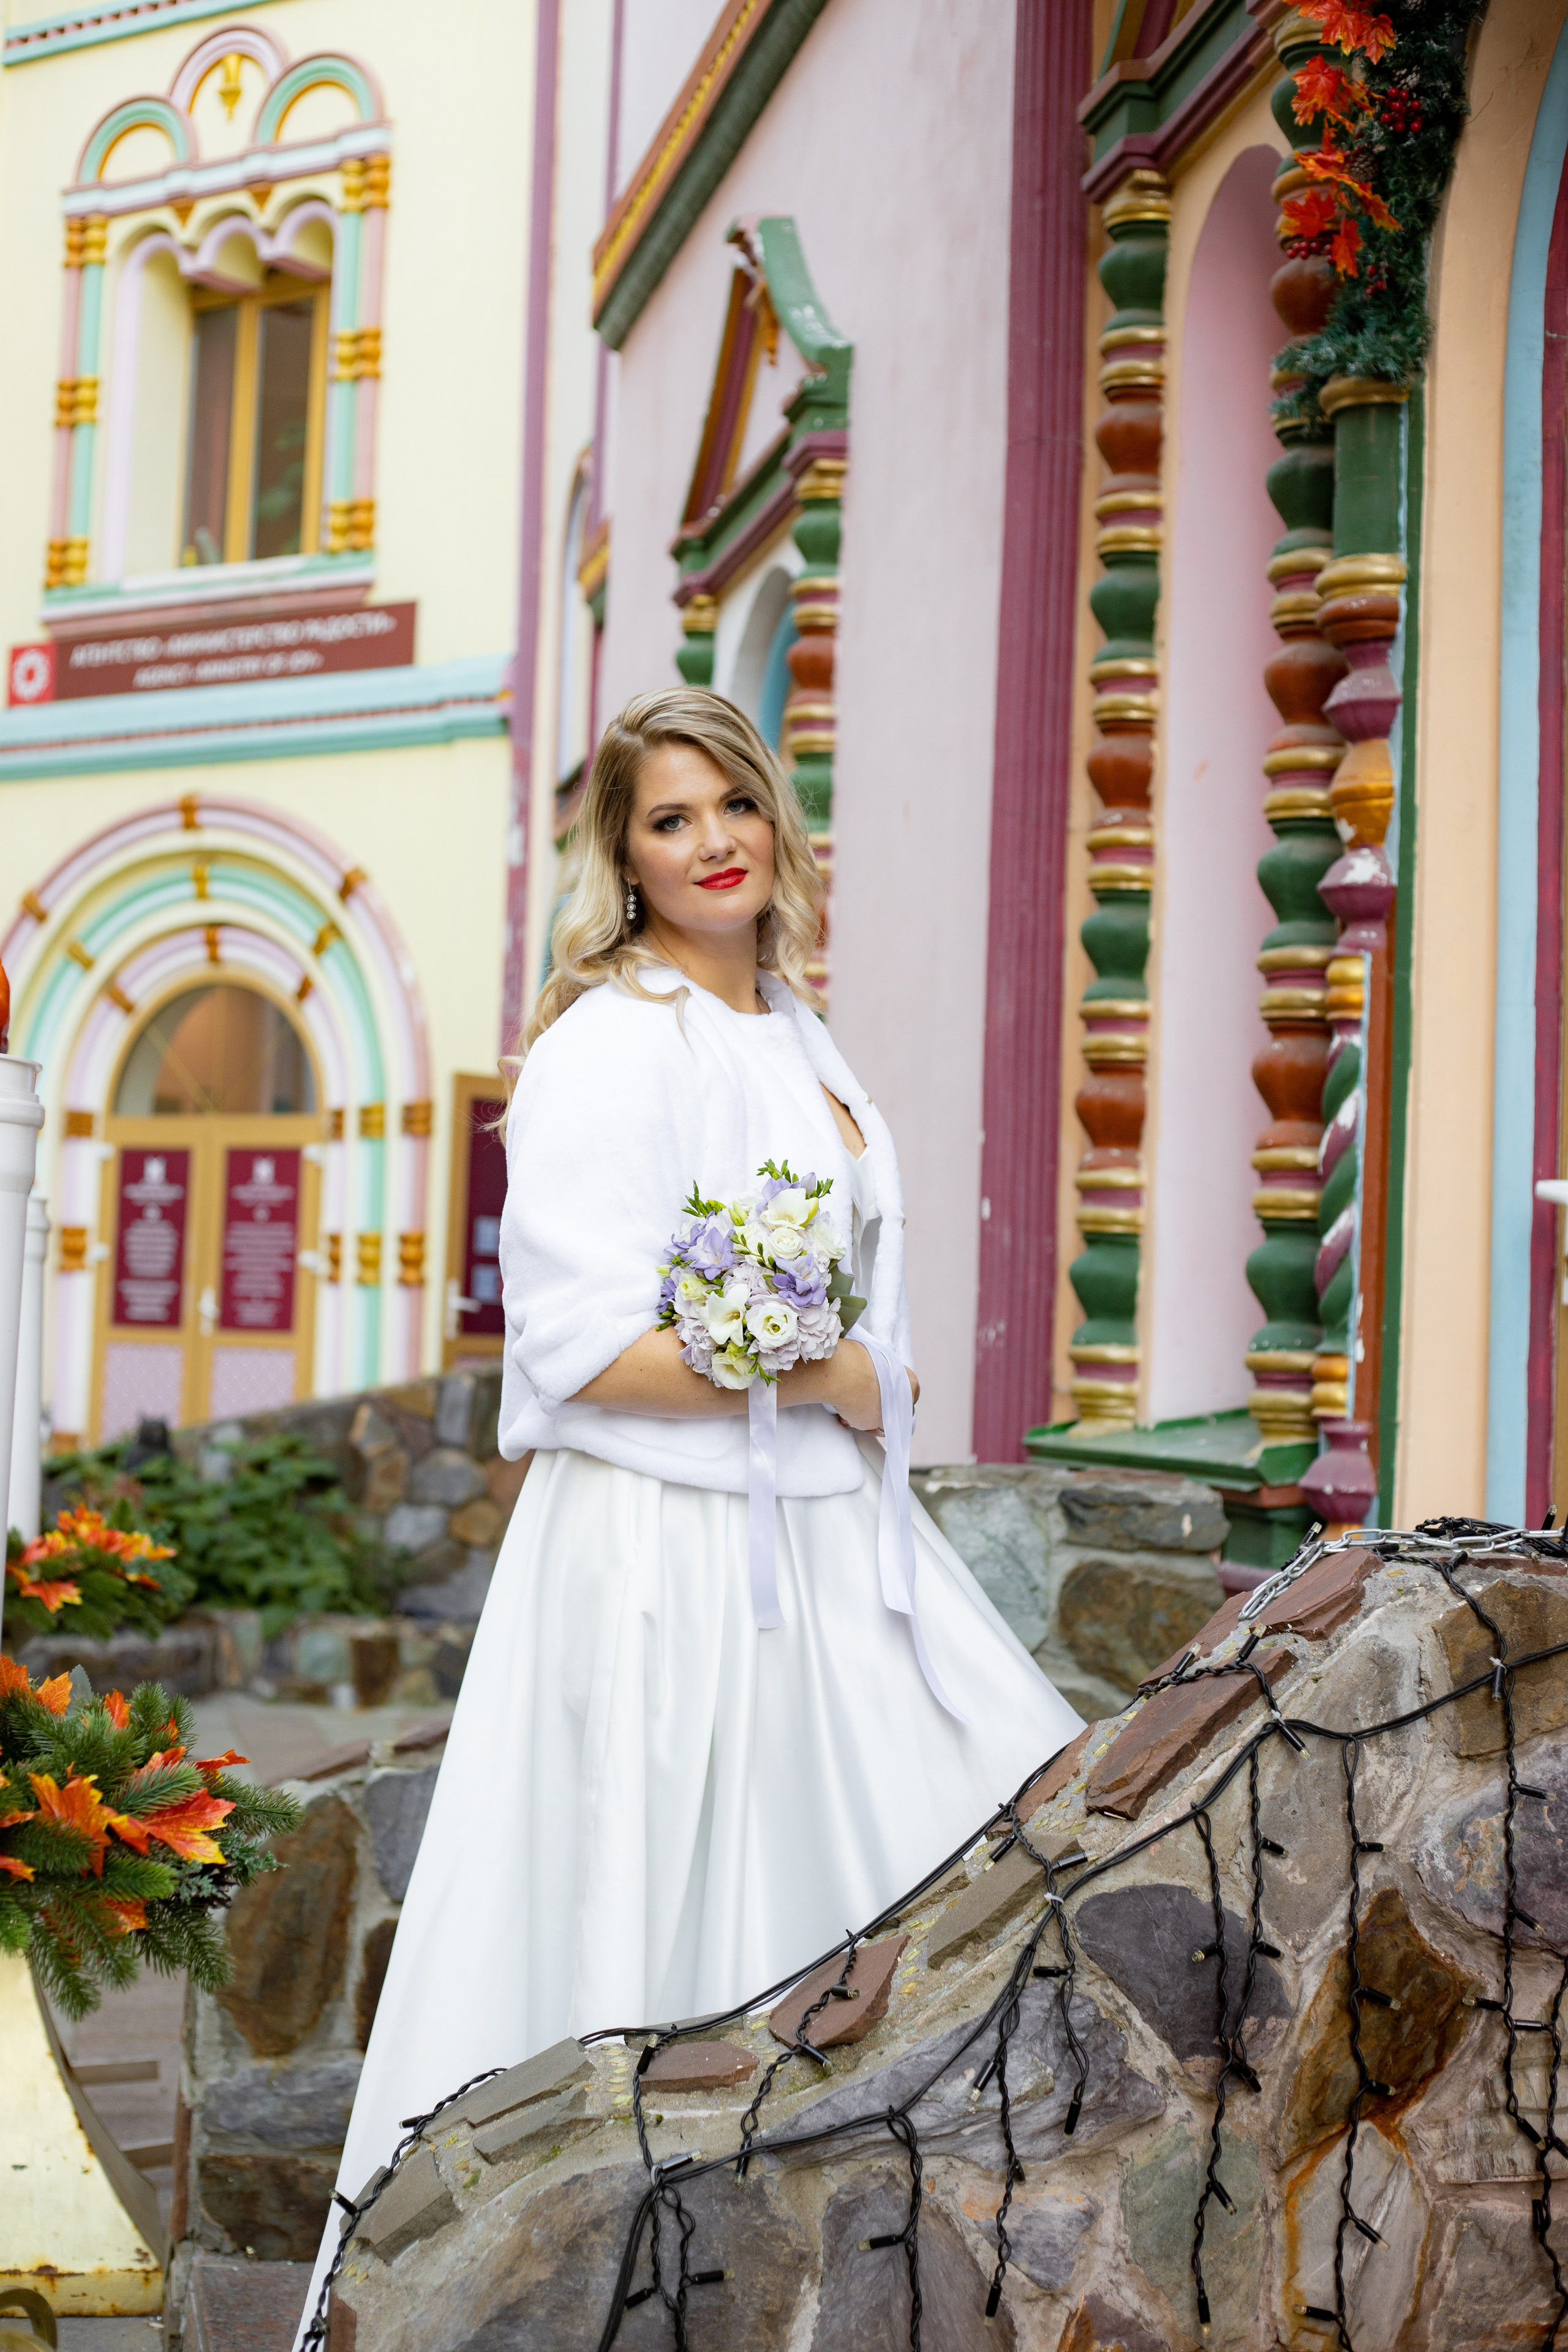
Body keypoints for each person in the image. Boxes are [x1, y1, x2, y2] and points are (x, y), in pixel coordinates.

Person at [293, 688, 1080, 2341]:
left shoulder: (796, 1028)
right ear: (625, 858)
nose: (712, 840)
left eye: (734, 804)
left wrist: (850, 1382)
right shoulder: (605, 1047)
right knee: (656, 1934)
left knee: (991, 1834)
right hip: (667, 1554)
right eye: (671, 818)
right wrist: (819, 1372)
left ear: (777, 825)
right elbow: (576, 1350)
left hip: (825, 1538)